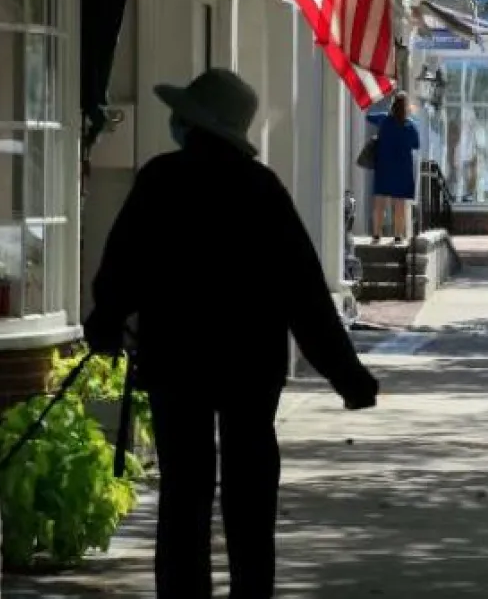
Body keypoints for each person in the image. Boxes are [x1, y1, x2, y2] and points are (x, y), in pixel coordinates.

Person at [85, 68, 380, 599]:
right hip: (250, 364)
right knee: (250, 491)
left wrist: (105, 324)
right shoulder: (260, 188)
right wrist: (348, 376)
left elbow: (121, 266)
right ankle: (251, 591)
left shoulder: (160, 179)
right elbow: (305, 292)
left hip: (176, 359)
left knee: (183, 491)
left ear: (191, 123)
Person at [366, 92, 420, 241]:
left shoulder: (383, 119)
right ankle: (397, 235)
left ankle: (376, 234)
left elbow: (368, 116)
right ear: (406, 107)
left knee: (379, 203)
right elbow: (416, 144)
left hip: (384, 167)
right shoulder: (410, 126)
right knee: (399, 205)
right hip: (402, 169)